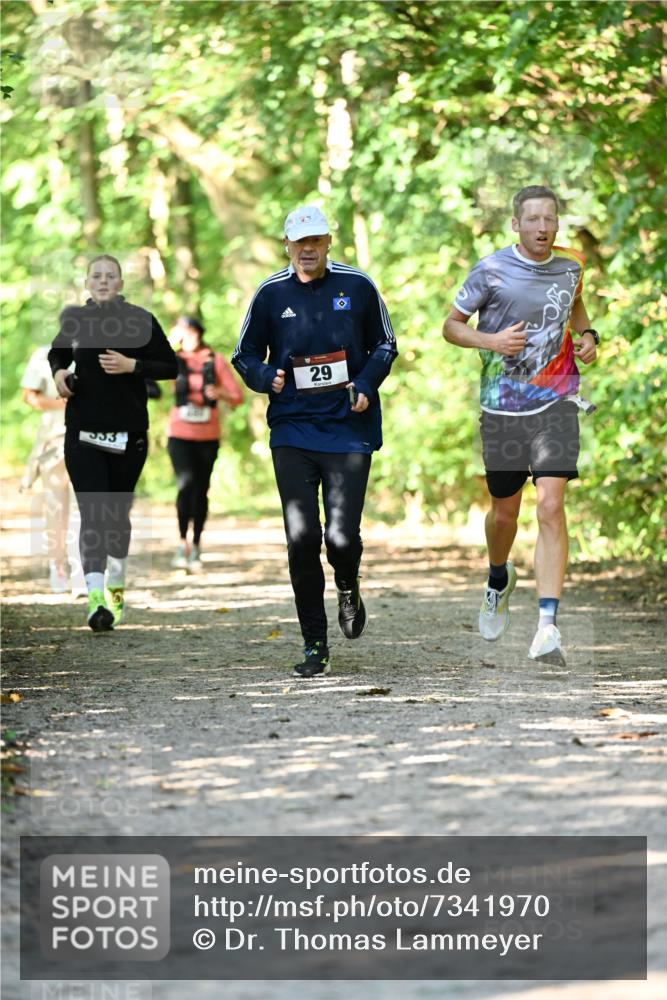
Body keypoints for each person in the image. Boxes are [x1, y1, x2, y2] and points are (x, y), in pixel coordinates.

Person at [232, 204, 398, 678]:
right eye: (300, 242)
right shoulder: (270, 293)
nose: (308, 250)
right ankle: (314, 644)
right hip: (292, 428)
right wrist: (267, 377)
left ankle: (348, 584)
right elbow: (243, 354)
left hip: (348, 427)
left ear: (329, 243)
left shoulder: (358, 286)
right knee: (301, 537)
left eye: (317, 241)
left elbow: (386, 344)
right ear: (287, 245)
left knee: (340, 538)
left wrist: (366, 384)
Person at [443, 185, 599, 665]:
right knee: (505, 515)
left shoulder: (571, 265)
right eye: (532, 220)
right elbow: (451, 325)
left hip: (557, 401)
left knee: (551, 506)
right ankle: (497, 577)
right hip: (503, 408)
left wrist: (588, 335)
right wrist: (490, 341)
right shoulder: (490, 269)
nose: (542, 228)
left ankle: (548, 627)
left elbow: (574, 310)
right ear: (516, 224)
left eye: (549, 219)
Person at [48, 254, 177, 631]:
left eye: (110, 276)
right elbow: (57, 353)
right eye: (96, 276)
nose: (103, 281)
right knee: (93, 512)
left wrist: (132, 366)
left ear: (120, 283)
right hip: (83, 431)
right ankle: (94, 599)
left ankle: (116, 588)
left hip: (129, 432)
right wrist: (58, 373)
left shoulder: (140, 320)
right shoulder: (75, 318)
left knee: (116, 515)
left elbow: (171, 366)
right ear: (87, 282)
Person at [167, 316, 243, 571]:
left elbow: (237, 397)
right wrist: (170, 342)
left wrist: (219, 393)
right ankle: (182, 543)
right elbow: (152, 365)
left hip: (208, 436)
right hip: (179, 433)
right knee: (184, 486)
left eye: (190, 332)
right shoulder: (174, 360)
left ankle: (196, 544)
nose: (187, 338)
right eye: (181, 333)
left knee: (200, 490)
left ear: (199, 334)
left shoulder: (215, 360)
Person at [20, 345, 84, 595]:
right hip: (54, 438)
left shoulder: (101, 351)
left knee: (85, 507)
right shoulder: (44, 354)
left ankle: (82, 573)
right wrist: (66, 405)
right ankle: (57, 566)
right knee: (57, 506)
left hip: (89, 438)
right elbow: (29, 396)